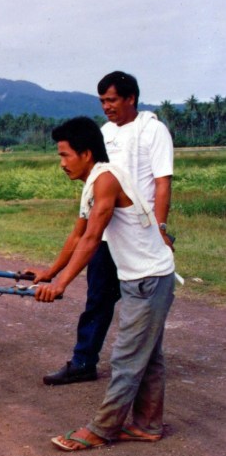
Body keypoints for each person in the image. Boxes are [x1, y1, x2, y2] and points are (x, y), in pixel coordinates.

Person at [26, 116, 175, 451]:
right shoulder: (93, 181)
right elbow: (78, 234)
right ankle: (148, 426)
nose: (61, 163)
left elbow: (94, 238)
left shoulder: (106, 180)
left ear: (86, 153)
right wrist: (50, 272)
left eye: (65, 155)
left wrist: (62, 284)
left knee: (126, 358)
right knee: (148, 356)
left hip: (149, 278)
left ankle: (101, 429)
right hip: (142, 277)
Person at [43, 71, 174, 385]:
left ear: (131, 98)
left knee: (140, 300)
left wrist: (160, 227)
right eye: (102, 101)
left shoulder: (152, 130)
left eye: (112, 100)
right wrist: (52, 273)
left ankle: (137, 360)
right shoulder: (104, 133)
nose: (106, 107)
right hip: (106, 230)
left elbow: (162, 183)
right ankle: (83, 361)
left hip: (138, 230)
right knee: (97, 299)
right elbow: (86, 224)